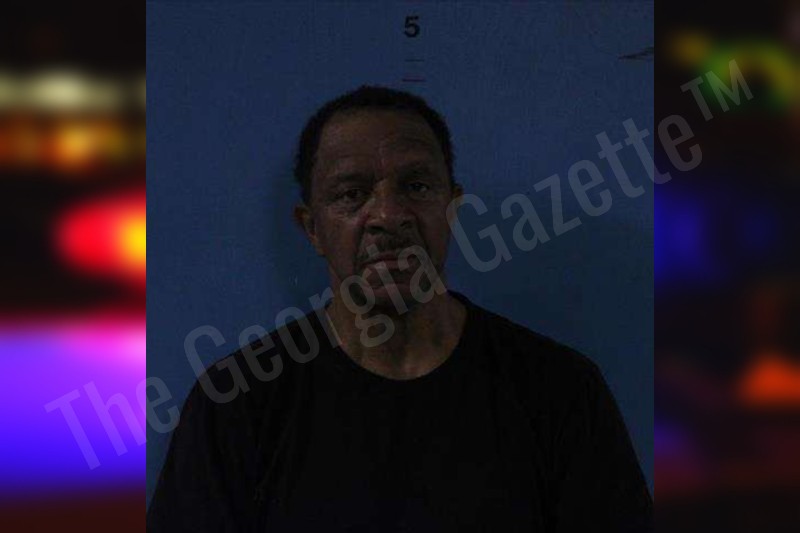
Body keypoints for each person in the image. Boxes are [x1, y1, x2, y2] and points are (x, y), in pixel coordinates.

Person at [147, 86, 653, 532]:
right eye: (352, 194)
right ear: (312, 228)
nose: (389, 216)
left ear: (451, 209)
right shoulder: (236, 405)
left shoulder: (561, 393)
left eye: (417, 186)